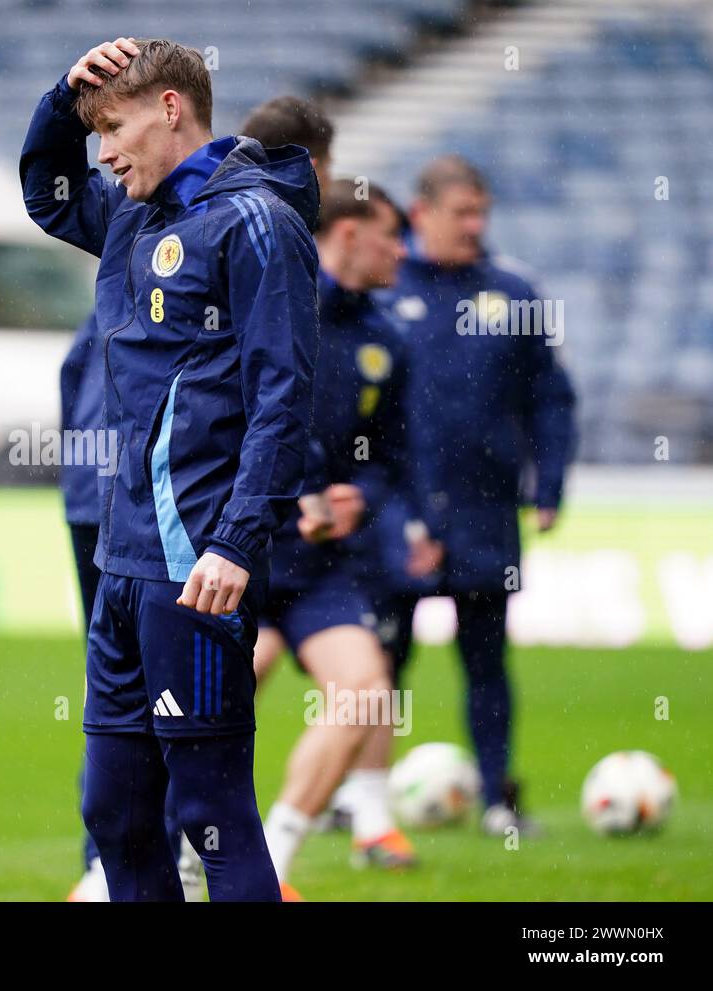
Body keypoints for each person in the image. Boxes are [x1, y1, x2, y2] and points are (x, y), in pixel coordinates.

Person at [23, 37, 320, 901]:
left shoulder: (256, 222)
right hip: (122, 561)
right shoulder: (132, 214)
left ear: (170, 108)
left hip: (197, 565)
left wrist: (235, 538)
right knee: (113, 810)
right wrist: (63, 92)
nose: (103, 153)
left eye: (111, 128)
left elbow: (283, 397)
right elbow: (47, 194)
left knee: (213, 809)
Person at [376, 155, 576, 834]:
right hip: (397, 511)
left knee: (487, 658)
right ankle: (364, 799)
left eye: (481, 213)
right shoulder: (381, 288)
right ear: (421, 213)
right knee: (379, 661)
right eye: (462, 213)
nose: (475, 226)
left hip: (486, 509)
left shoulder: (517, 294)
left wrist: (547, 484)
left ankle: (497, 797)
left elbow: (552, 399)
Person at [251, 180, 422, 883]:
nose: (402, 251)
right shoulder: (272, 305)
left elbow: (392, 455)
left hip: (324, 563)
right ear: (348, 234)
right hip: (244, 552)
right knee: (210, 708)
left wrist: (359, 499)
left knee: (363, 687)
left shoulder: (386, 339)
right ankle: (160, 858)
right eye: (390, 235)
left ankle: (272, 863)